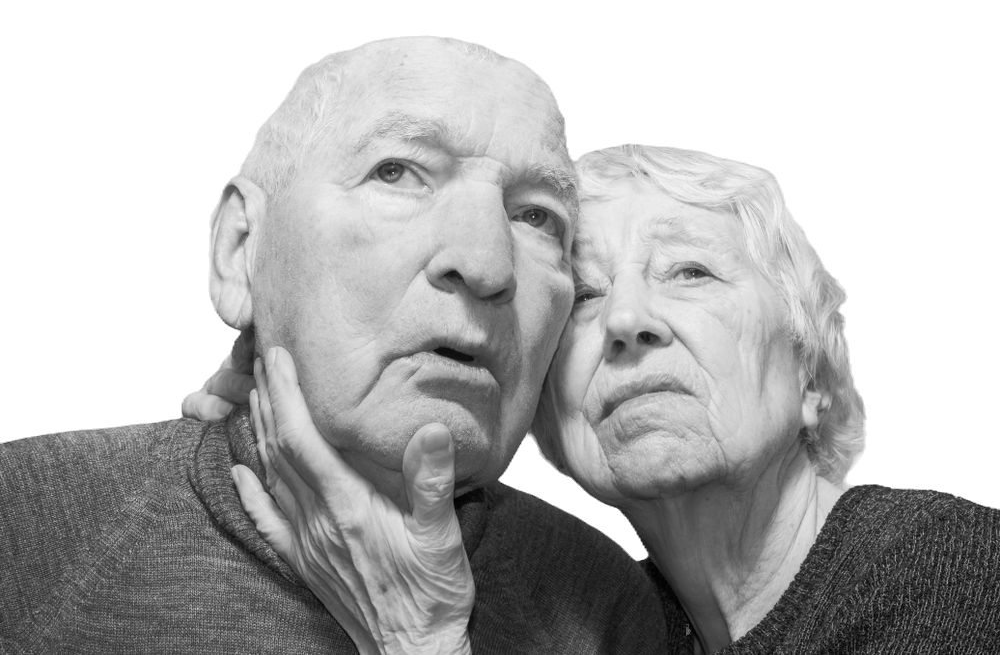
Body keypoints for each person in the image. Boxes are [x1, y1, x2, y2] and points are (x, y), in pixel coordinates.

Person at [0, 39, 672, 654]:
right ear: (241, 251)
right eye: (397, 172)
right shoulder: (24, 519)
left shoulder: (603, 601)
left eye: (535, 216)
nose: (486, 263)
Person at [191, 145, 1000, 653]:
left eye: (690, 271)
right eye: (581, 296)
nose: (625, 321)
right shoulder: (596, 619)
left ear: (816, 377)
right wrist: (293, 346)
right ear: (542, 413)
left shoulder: (949, 573)